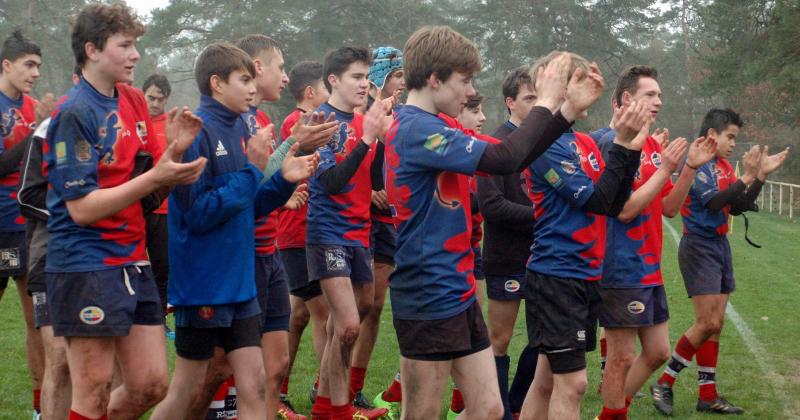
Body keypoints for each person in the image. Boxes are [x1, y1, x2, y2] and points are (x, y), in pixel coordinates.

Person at [385, 27, 603, 419]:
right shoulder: (418, 130)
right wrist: (548, 101)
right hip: (427, 293)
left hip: (458, 288)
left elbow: (511, 154)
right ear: (435, 79)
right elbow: (505, 161)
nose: (469, 92)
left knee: (488, 409)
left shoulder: (441, 126)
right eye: (463, 81)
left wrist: (565, 111)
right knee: (422, 413)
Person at [44, 4, 207, 418]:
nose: (136, 55)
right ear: (92, 50)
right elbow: (81, 208)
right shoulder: (73, 112)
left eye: (136, 45)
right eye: (126, 45)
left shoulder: (133, 100)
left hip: (132, 261)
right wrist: (158, 178)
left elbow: (144, 189)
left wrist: (173, 159)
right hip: (85, 264)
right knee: (93, 391)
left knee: (150, 384)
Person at [150, 42, 319, 420]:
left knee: (256, 380)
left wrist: (282, 183)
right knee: (187, 389)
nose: (251, 87)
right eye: (243, 79)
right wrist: (253, 171)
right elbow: (198, 214)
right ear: (217, 83)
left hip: (241, 284)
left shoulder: (243, 127)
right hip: (203, 285)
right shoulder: (196, 131)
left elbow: (248, 205)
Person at [519, 51, 649, 420]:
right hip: (557, 275)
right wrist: (623, 146)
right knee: (573, 385)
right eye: (578, 80)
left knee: (546, 382)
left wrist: (629, 148)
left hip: (585, 274)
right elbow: (594, 201)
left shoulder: (586, 143)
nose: (589, 88)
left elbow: (613, 203)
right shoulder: (544, 143)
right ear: (555, 85)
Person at [593, 65, 717, 420]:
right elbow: (625, 210)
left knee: (659, 351)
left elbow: (669, 208)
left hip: (648, 267)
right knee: (621, 357)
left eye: (660, 95)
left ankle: (612, 410)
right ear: (627, 99)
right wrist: (665, 168)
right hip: (620, 266)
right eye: (651, 94)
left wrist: (689, 168)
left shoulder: (649, 145)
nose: (659, 101)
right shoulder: (610, 143)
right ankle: (614, 414)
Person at [651, 108, 789, 416]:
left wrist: (760, 176)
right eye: (730, 137)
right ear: (712, 135)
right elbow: (714, 201)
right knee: (707, 322)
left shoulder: (724, 165)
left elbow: (736, 206)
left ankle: (708, 395)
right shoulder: (700, 164)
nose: (732, 144)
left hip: (719, 246)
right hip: (699, 247)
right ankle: (664, 381)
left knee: (716, 326)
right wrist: (748, 175)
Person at [237, 33, 337, 420]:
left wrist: (284, 185)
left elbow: (263, 183)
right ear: (257, 67)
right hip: (262, 247)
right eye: (279, 67)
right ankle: (325, 397)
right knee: (220, 371)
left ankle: (274, 406)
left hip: (270, 248)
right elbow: (246, 188)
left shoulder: (262, 119)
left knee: (275, 360)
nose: (284, 77)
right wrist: (295, 153)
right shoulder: (250, 122)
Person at [306, 45, 389, 420]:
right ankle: (338, 410)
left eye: (367, 77)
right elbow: (335, 182)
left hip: (361, 233)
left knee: (362, 309)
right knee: (349, 326)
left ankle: (325, 405)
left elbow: (371, 181)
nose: (364, 84)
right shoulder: (319, 122)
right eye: (356, 76)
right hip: (328, 233)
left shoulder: (361, 123)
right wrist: (369, 139)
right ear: (333, 80)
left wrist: (381, 140)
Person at [476, 67, 540, 420]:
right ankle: (499, 411)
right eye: (529, 98)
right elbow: (492, 206)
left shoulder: (542, 143)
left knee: (542, 339)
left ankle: (515, 403)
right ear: (511, 102)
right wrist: (542, 215)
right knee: (499, 340)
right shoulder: (496, 145)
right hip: (506, 257)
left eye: (538, 97)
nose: (536, 104)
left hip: (543, 257)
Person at [19, 66, 81, 420]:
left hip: (98, 260)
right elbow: (27, 195)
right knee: (59, 358)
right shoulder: (47, 129)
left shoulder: (115, 128)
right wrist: (79, 207)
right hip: (50, 258)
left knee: (97, 362)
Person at [350, 45, 404, 411]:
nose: (402, 82)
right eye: (396, 75)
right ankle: (337, 384)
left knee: (377, 305)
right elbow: (350, 164)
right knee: (360, 307)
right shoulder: (360, 114)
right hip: (363, 221)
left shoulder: (403, 115)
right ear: (379, 80)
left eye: (403, 75)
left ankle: (354, 386)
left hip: (393, 221)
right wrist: (370, 192)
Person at [278, 60, 331, 408]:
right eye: (327, 87)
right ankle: (325, 395)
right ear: (311, 92)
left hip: (309, 231)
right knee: (326, 315)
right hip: (297, 232)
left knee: (296, 316)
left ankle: (277, 393)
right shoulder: (295, 124)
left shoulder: (318, 123)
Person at [0, 29, 44, 419]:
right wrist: (34, 134)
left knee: (35, 321)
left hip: (24, 224)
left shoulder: (31, 107)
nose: (34, 73)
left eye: (38, 67)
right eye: (28, 65)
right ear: (7, 64)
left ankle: (39, 407)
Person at [141, 73, 172, 319]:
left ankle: (160, 319)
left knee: (163, 268)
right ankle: (137, 318)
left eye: (160, 99)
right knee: (136, 267)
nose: (154, 103)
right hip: (136, 208)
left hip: (164, 209)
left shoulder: (170, 125)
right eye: (150, 98)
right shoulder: (134, 124)